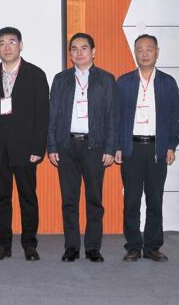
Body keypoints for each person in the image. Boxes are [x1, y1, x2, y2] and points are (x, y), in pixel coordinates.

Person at [47, 32, 118, 262]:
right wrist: (52, 146)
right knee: (69, 200)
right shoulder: (61, 79)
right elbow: (53, 115)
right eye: (74, 49)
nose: (79, 52)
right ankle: (71, 247)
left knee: (94, 200)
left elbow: (113, 116)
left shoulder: (106, 79)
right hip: (66, 146)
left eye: (84, 48)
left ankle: (93, 247)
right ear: (70, 54)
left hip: (94, 146)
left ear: (93, 52)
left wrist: (110, 148)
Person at [0, 27, 49, 261]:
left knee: (27, 198)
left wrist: (38, 147)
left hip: (26, 149)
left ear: (21, 45)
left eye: (12, 42)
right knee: (1, 198)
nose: (7, 47)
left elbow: (43, 114)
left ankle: (29, 244)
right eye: (1, 43)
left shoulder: (35, 74)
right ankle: (3, 244)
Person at [115, 34, 179, 262]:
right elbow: (116, 117)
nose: (144, 54)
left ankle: (152, 246)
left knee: (155, 199)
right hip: (131, 148)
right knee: (131, 200)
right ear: (135, 53)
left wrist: (171, 145)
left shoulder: (168, 83)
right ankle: (133, 246)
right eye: (140, 50)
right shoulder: (124, 82)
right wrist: (117, 146)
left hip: (157, 149)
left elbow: (174, 116)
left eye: (149, 49)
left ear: (157, 52)